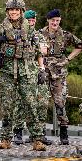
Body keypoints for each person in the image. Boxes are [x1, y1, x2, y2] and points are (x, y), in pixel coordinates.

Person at [0, 0, 47, 151]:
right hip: (7, 73)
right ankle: (5, 139)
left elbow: (38, 51)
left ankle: (37, 140)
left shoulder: (30, 29)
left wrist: (41, 70)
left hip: (26, 72)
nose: (13, 12)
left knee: (30, 105)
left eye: (16, 10)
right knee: (7, 107)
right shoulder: (2, 28)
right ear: (7, 11)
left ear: (21, 11)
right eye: (11, 10)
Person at [39, 9, 82, 145]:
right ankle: (39, 134)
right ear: (48, 20)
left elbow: (79, 45)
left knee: (60, 103)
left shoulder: (65, 35)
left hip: (59, 74)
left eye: (57, 20)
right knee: (41, 102)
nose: (55, 23)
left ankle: (64, 133)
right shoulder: (39, 34)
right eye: (53, 20)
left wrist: (68, 59)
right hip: (43, 72)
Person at [13, 10, 52, 146]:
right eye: (29, 20)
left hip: (37, 71)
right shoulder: (18, 32)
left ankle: (38, 134)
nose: (31, 22)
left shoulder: (37, 35)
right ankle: (17, 132)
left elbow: (44, 51)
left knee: (41, 102)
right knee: (20, 102)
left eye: (33, 20)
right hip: (23, 71)